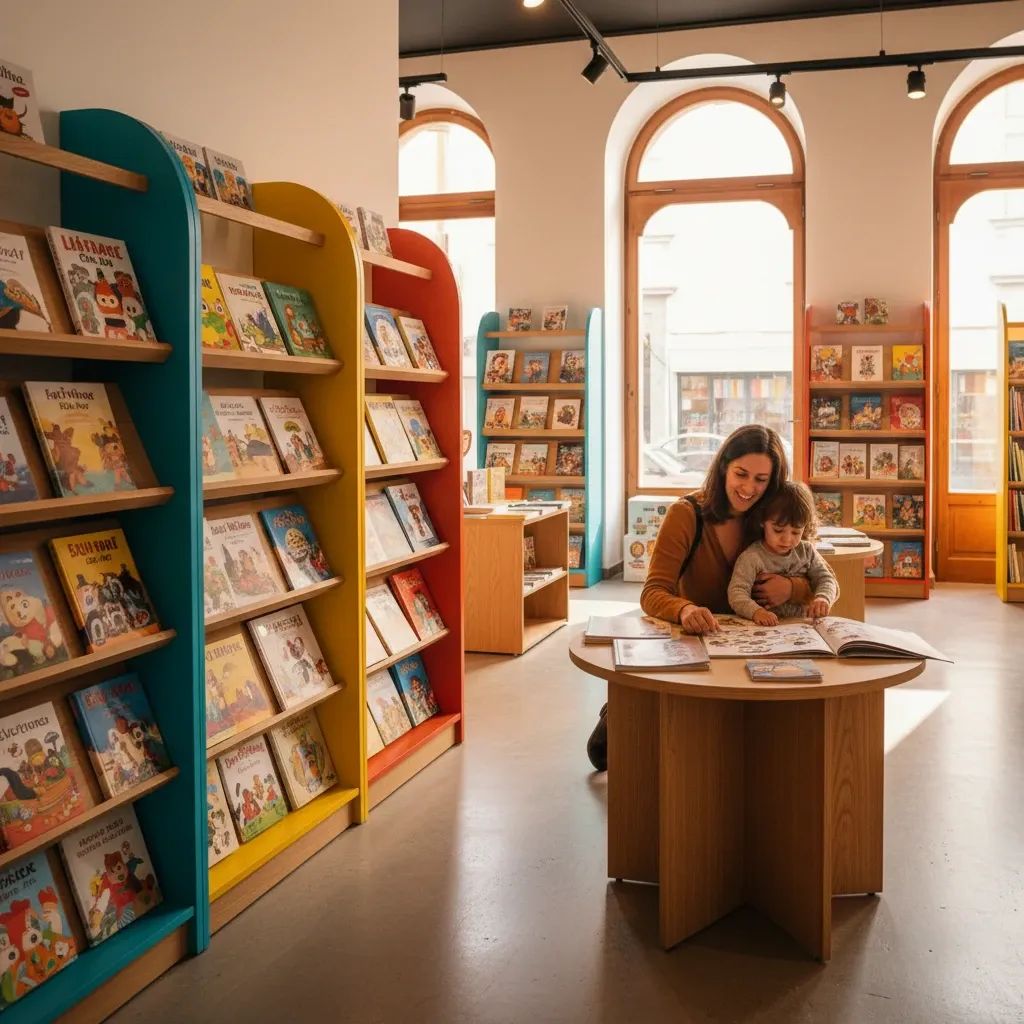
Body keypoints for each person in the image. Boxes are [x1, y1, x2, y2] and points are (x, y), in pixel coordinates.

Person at [586, 424, 813, 770]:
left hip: (754, 640)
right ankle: (619, 709)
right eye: (741, 474)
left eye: (761, 480)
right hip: (696, 639)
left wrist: (791, 588)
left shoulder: (774, 519)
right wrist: (685, 608)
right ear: (723, 466)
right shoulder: (687, 513)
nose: (749, 488)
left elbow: (817, 572)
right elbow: (653, 591)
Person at [726, 481, 838, 625]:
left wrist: (823, 598)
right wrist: (756, 612)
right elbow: (736, 593)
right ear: (762, 521)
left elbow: (826, 579)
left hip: (803, 628)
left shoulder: (806, 551)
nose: (787, 540)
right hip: (765, 629)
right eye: (778, 530)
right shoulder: (752, 557)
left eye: (796, 532)